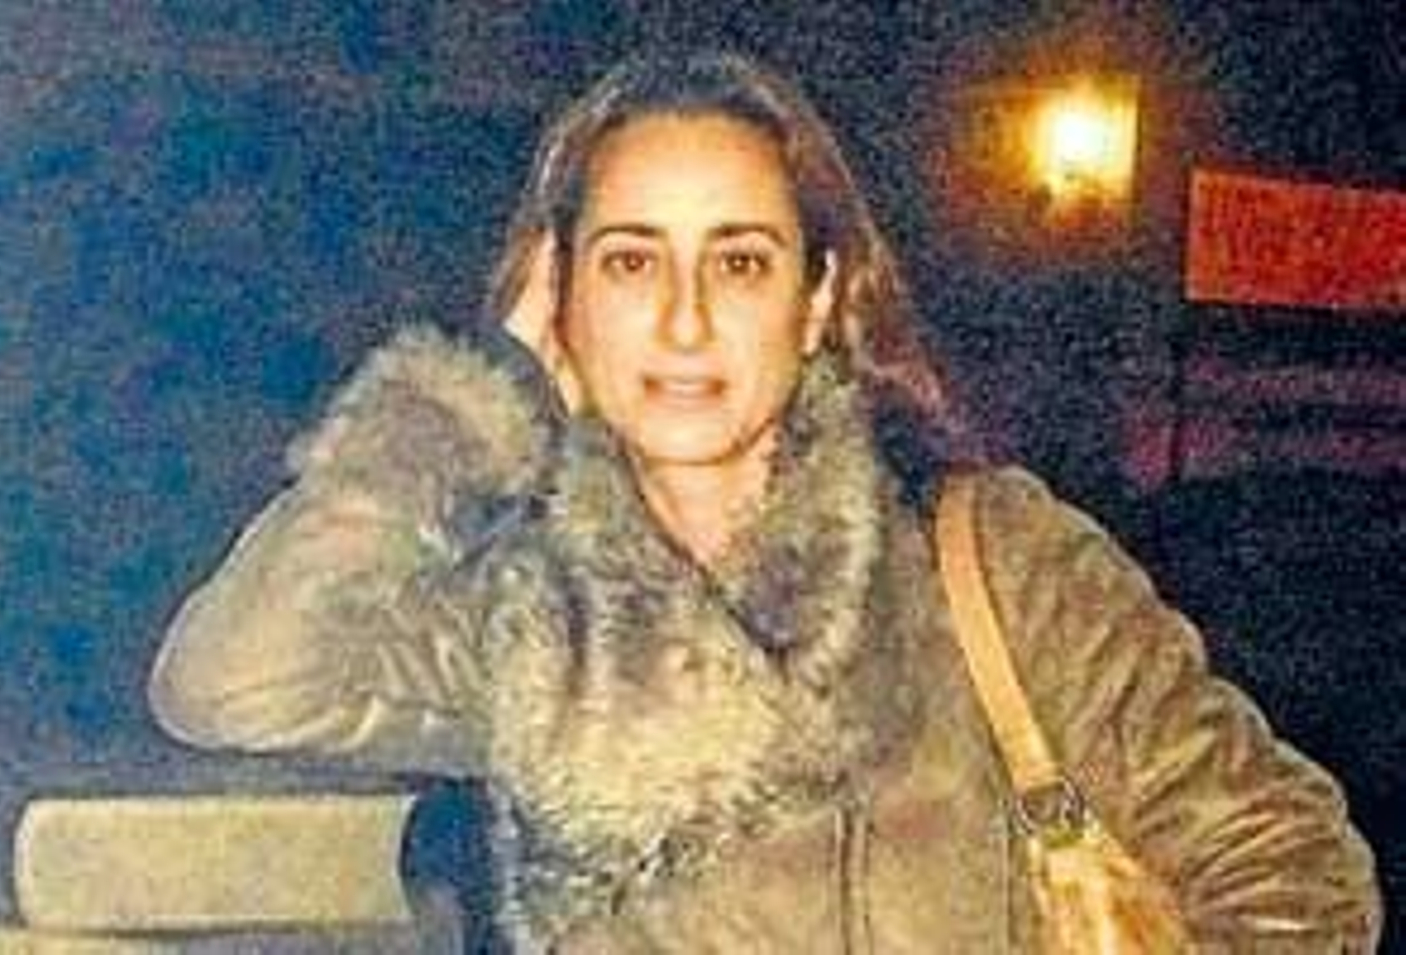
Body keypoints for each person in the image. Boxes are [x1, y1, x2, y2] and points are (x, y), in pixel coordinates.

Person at [148, 51, 1380, 951]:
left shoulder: (991, 563)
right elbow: (232, 682)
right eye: (631, 260)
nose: (684, 320)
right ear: (560, 296)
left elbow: (1291, 875)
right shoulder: (529, 620)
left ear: (816, 299)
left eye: (739, 261)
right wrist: (470, 400)